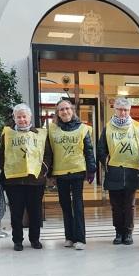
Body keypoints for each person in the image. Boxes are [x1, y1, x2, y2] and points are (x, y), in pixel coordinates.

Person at [0, 103, 52, 251]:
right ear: (14, 118)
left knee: (35, 212)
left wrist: (43, 170)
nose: (22, 119)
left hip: (35, 180)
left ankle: (35, 239)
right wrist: (6, 169)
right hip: (13, 181)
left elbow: (47, 155)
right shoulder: (7, 134)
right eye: (18, 117)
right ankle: (17, 240)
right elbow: (1, 155)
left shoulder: (40, 134)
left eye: (24, 116)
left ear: (30, 117)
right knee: (16, 213)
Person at [49, 98, 96, 250]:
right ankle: (69, 237)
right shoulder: (52, 129)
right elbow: (49, 151)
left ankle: (80, 238)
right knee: (65, 206)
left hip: (77, 171)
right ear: (58, 113)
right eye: (61, 109)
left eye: (67, 108)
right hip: (60, 172)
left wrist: (91, 169)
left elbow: (88, 150)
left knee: (78, 205)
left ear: (72, 110)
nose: (65, 111)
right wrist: (49, 173)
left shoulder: (83, 128)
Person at [97, 97, 139, 246]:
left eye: (126, 110)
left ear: (129, 111)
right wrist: (106, 161)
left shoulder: (137, 126)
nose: (123, 113)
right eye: (120, 109)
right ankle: (118, 232)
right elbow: (100, 149)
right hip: (114, 173)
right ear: (115, 110)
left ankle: (128, 232)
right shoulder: (108, 127)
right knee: (116, 205)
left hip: (132, 172)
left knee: (130, 205)